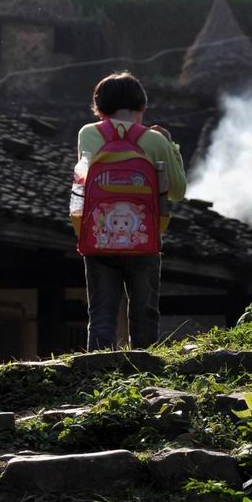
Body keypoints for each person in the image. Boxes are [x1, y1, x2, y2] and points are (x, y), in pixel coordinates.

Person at [76, 71, 187, 351]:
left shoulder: (88, 134)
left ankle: (97, 378)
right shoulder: (155, 140)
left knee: (100, 315)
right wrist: (170, 146)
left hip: (98, 238)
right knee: (145, 316)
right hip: (144, 241)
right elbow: (177, 191)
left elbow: (84, 181)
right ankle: (145, 375)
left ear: (98, 108)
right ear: (142, 107)